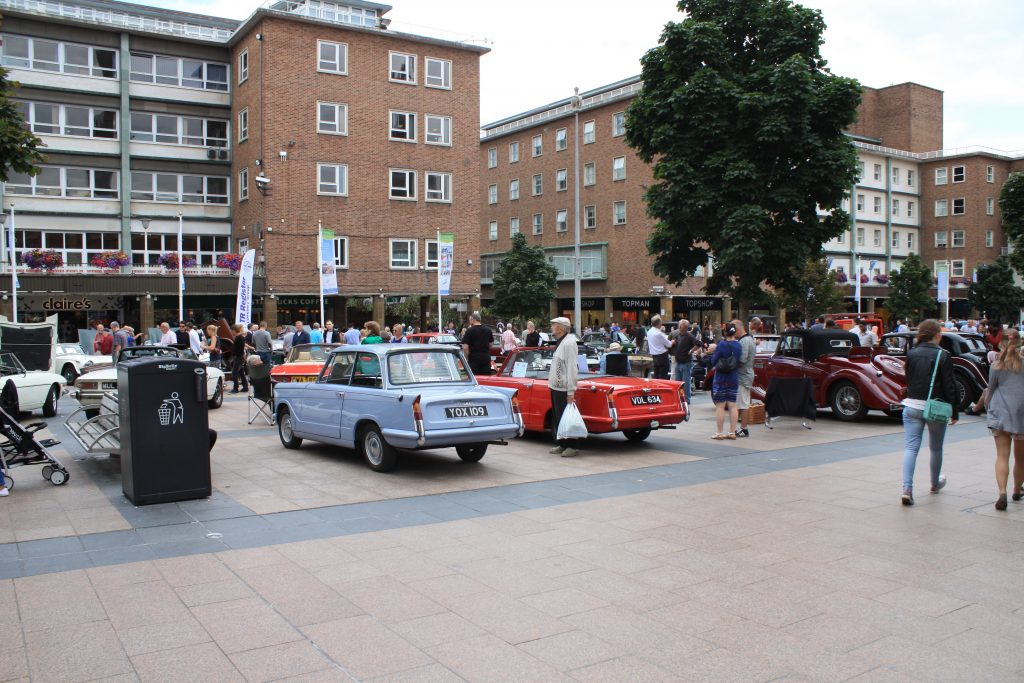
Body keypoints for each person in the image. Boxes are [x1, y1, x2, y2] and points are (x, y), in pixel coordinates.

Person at [900, 319, 958, 506]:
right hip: (935, 408)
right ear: (937, 335)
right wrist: (955, 410)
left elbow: (909, 379)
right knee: (936, 447)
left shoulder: (912, 353)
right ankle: (934, 483)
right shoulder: (943, 355)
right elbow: (949, 385)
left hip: (911, 406)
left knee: (910, 448)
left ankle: (907, 489)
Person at [983, 329, 1024, 510]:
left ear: (1002, 343)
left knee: (1002, 455)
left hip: (1000, 412)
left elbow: (990, 390)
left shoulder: (996, 366)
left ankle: (1002, 493)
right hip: (1021, 414)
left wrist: (987, 407)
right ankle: (1017, 489)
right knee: (1021, 458)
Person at [548, 316, 581, 457]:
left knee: (566, 416)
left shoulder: (569, 343)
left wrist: (571, 391)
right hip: (556, 386)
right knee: (558, 417)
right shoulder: (561, 341)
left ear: (561, 328)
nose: (551, 327)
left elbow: (572, 367)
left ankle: (571, 446)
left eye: (554, 325)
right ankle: (562, 443)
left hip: (564, 387)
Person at [708, 323, 742, 440]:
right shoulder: (739, 345)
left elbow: (713, 361)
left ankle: (719, 433)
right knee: (733, 406)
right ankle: (732, 432)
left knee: (720, 406)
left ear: (725, 333)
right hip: (733, 378)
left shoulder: (722, 344)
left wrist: (713, 350)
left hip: (721, 379)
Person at [734, 319, 757, 438]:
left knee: (743, 403)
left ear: (738, 329)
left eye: (733, 331)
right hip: (746, 374)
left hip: (743, 376)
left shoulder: (744, 341)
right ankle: (741, 428)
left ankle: (743, 428)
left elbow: (742, 359)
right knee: (743, 402)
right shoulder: (749, 339)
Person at [672, 319, 699, 403]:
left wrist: (691, 351)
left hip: (686, 362)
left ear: (685, 327)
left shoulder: (689, 336)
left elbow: (699, 344)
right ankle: (680, 398)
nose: (679, 326)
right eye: (679, 325)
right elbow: (675, 344)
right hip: (678, 361)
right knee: (678, 382)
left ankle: (687, 399)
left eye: (681, 325)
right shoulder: (678, 335)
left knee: (686, 382)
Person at [230, 323, 249, 394]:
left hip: (239, 357)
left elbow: (240, 349)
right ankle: (245, 387)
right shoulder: (239, 337)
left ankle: (236, 388)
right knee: (241, 373)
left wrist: (235, 355)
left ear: (235, 330)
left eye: (232, 330)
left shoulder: (240, 338)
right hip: (239, 357)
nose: (231, 332)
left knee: (234, 372)